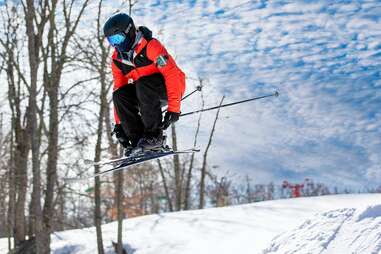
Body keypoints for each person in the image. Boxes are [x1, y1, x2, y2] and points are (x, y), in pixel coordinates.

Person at [103, 13, 186, 154]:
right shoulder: (117, 60)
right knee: (120, 95)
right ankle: (138, 141)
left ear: (129, 32)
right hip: (145, 94)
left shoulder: (151, 46)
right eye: (112, 41)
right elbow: (119, 87)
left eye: (118, 38)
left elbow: (171, 74)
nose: (116, 44)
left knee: (143, 84)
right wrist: (119, 124)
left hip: (170, 87)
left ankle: (154, 137)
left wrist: (174, 108)